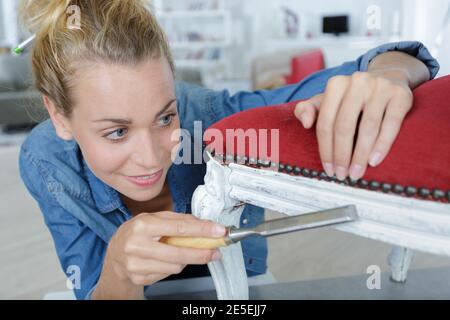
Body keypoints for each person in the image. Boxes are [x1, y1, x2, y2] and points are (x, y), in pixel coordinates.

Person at [18, 0, 438, 300]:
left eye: (166, 118)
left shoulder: (212, 117)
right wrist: (119, 270)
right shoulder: (45, 162)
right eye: (116, 132)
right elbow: (94, 292)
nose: (151, 157)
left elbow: (395, 60)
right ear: (59, 116)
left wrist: (392, 74)